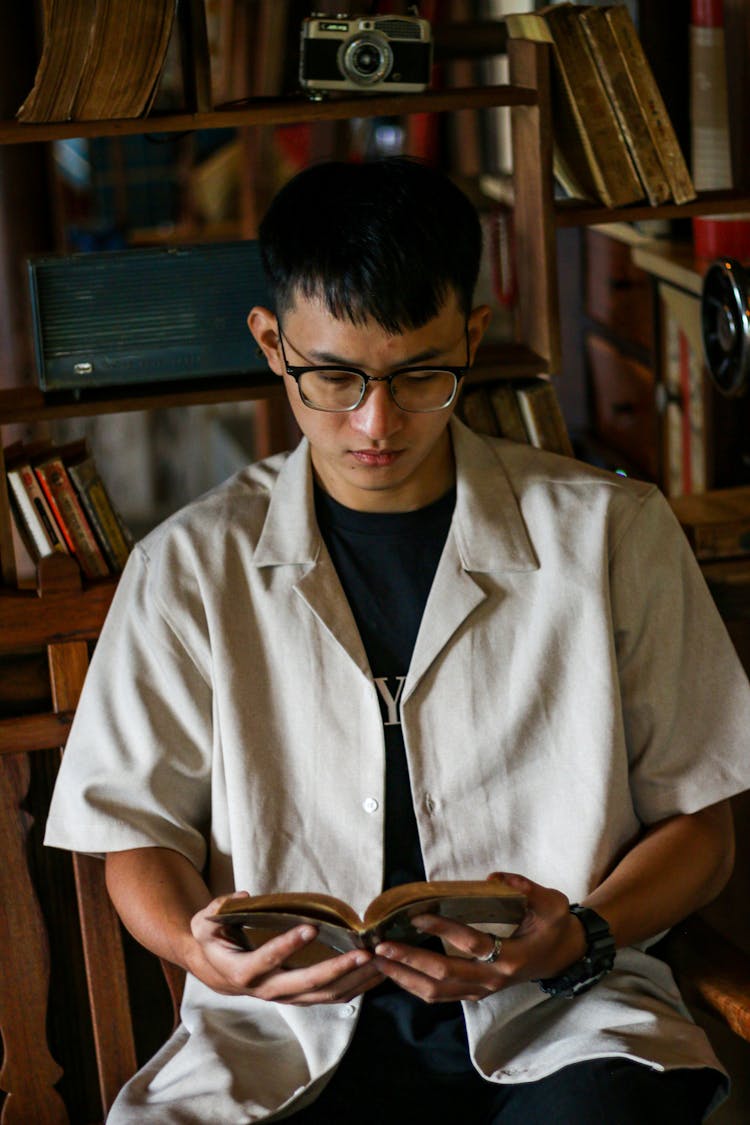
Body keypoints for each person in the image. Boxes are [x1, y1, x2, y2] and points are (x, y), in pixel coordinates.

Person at [46, 158, 750, 1124]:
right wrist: (197, 948)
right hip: (283, 1035)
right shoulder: (188, 567)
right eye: (334, 376)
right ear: (271, 342)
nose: (375, 422)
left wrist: (582, 931)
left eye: (421, 374)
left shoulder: (612, 534)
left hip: (562, 1015)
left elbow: (703, 831)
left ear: (473, 335)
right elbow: (135, 834)